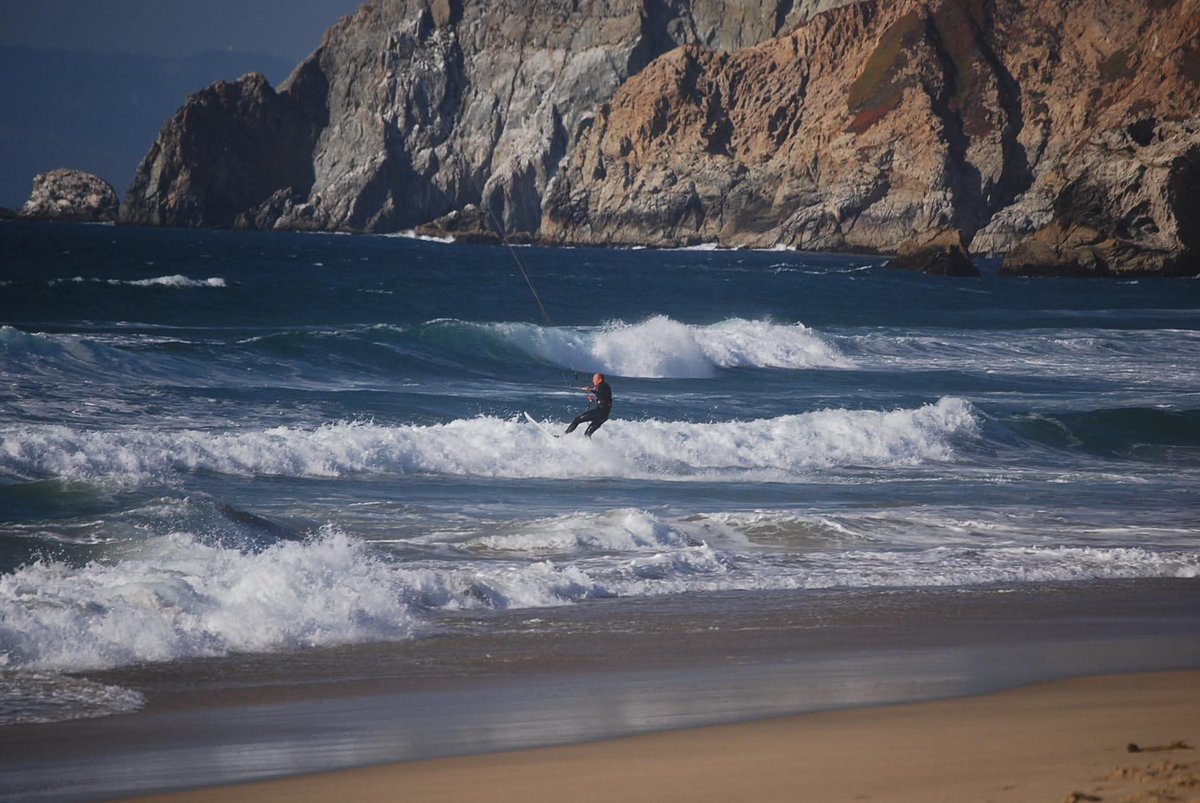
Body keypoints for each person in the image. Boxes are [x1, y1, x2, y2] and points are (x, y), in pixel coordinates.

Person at [565, 372, 612, 437]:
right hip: (604, 416)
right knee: (587, 434)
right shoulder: (604, 388)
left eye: (594, 379)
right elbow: (603, 398)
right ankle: (589, 446)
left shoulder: (603, 386)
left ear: (600, 380)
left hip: (600, 412)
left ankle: (563, 436)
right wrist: (592, 399)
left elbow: (600, 394)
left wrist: (590, 390)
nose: (593, 381)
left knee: (576, 420)